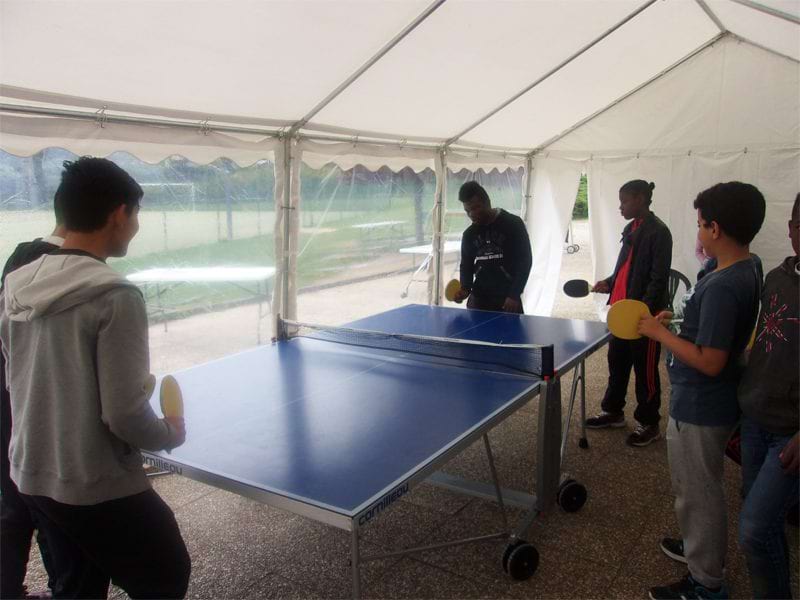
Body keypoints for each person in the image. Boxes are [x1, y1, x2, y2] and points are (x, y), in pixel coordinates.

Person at [0, 157, 191, 599]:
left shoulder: (16, 282)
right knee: (166, 573)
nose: (136, 226)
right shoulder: (116, 295)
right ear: (119, 213)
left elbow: (17, 375)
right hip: (91, 480)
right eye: (136, 215)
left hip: (29, 474)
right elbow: (123, 414)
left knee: (79, 585)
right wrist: (168, 433)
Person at [638, 181, 765, 600]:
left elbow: (711, 360)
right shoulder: (746, 265)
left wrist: (658, 332)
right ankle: (699, 548)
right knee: (699, 489)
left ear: (715, 229)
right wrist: (678, 319)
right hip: (710, 403)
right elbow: (713, 329)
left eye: (698, 225)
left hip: (700, 406)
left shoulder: (724, 286)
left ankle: (706, 581)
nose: (696, 233)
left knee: (699, 492)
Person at [735, 193, 799, 599]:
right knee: (761, 518)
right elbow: (762, 343)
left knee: (754, 531)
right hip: (756, 418)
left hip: (791, 434)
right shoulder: (777, 276)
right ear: (792, 228)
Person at [1, 212, 67, 599]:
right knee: (48, 511)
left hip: (8, 396)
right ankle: (63, 589)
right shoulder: (55, 266)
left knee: (13, 507)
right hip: (25, 402)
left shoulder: (18, 257)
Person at [585, 180, 672, 447]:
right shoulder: (630, 228)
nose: (620, 206)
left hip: (643, 317)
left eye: (624, 201)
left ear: (641, 199)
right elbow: (624, 268)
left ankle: (649, 422)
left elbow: (658, 279)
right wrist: (609, 283)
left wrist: (641, 313)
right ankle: (613, 411)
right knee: (617, 362)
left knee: (645, 371)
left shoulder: (659, 232)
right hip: (621, 313)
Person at [453, 181, 532, 313]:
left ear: (487, 202)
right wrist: (465, 289)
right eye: (467, 211)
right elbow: (466, 265)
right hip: (479, 299)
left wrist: (514, 294)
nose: (471, 214)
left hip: (507, 299)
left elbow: (525, 261)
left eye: (475, 208)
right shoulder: (469, 234)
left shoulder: (513, 224)